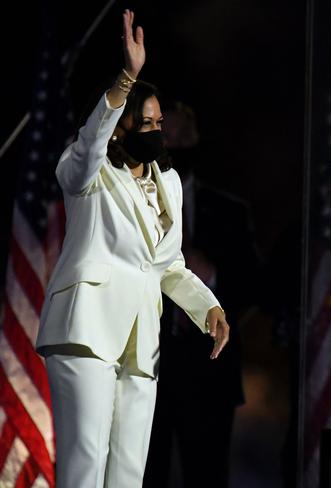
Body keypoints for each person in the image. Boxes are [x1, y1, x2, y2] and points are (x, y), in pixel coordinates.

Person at [36, 10, 229, 488]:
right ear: (121, 126)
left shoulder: (169, 182)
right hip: (86, 330)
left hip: (141, 341)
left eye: (160, 123)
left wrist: (208, 308)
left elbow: (168, 265)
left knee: (128, 474)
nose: (157, 132)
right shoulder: (88, 170)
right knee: (85, 466)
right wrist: (126, 79)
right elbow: (87, 151)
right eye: (146, 123)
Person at [144, 102, 258, 487]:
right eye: (166, 137)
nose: (175, 146)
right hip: (148, 365)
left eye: (184, 137)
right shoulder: (137, 205)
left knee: (207, 474)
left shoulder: (229, 212)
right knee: (144, 472)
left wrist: (213, 275)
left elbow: (253, 284)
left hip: (210, 369)